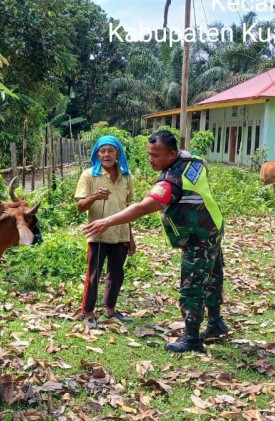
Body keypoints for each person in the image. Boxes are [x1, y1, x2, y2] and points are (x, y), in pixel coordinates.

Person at [81, 130, 229, 353]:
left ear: (171, 154)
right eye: (149, 154)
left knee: (193, 286)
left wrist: (107, 222)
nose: (151, 159)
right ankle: (216, 322)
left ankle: (192, 338)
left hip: (197, 236)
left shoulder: (171, 182)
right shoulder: (193, 159)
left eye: (156, 156)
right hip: (213, 225)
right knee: (214, 276)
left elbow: (141, 207)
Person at [75, 135, 136, 329]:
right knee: (94, 274)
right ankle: (89, 312)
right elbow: (80, 207)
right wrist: (94, 196)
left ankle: (110, 309)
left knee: (116, 274)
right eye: (102, 151)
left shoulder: (126, 176)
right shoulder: (89, 175)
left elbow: (127, 208)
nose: (106, 154)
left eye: (110, 151)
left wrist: (131, 236)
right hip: (98, 235)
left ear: (118, 153)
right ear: (97, 154)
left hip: (121, 234)